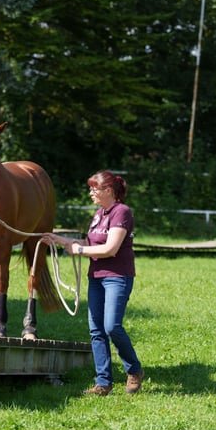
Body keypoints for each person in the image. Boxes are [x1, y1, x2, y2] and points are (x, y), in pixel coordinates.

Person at [44, 170, 144, 396]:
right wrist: (59, 240)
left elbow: (110, 249)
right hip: (96, 277)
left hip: (117, 277)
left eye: (94, 189)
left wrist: (80, 250)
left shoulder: (122, 212)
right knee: (96, 330)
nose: (91, 193)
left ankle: (134, 370)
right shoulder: (99, 214)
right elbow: (88, 243)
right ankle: (103, 383)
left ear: (108, 191)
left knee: (112, 327)